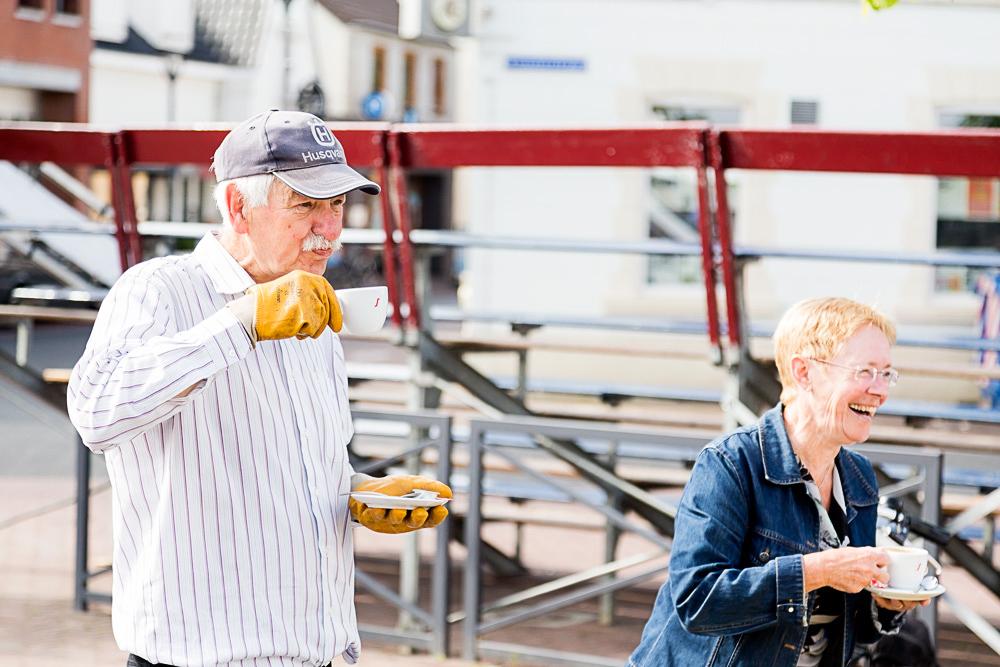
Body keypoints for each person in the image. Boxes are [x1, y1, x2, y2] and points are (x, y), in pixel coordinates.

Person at [67, 109, 451, 667]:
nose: (330, 229)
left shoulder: (313, 309)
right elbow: (96, 413)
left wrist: (356, 493)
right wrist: (242, 323)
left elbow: (277, 467)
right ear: (238, 207)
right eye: (306, 205)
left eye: (337, 204)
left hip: (321, 655)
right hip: (199, 659)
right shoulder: (158, 288)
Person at [628, 297, 929, 667]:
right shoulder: (730, 463)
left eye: (886, 373)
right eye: (864, 371)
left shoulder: (859, 477)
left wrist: (886, 605)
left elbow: (848, 631)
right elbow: (697, 601)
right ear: (804, 372)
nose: (880, 390)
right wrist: (817, 571)